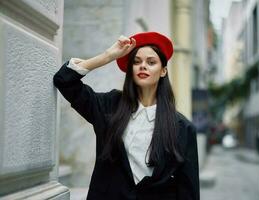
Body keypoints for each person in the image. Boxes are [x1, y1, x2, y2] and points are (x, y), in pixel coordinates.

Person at [53, 32, 200, 200]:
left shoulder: (182, 127)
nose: (143, 66)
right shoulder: (109, 106)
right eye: (136, 62)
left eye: (151, 62)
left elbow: (189, 190)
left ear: (163, 71)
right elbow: (64, 81)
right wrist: (107, 56)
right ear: (130, 69)